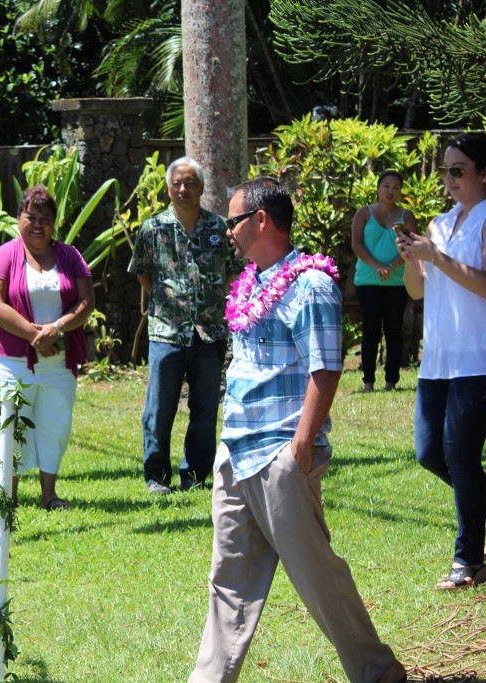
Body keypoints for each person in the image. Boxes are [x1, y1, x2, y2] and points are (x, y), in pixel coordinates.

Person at [190, 176, 405, 683]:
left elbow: (325, 368)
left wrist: (301, 448)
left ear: (260, 220)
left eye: (234, 222)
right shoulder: (253, 283)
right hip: (236, 453)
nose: (229, 233)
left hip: (281, 454)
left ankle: (377, 672)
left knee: (316, 578)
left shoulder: (311, 283)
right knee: (228, 581)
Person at [398, 132, 486, 591]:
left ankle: (468, 559)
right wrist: (414, 258)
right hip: (437, 361)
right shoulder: (439, 224)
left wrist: (439, 257)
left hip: (477, 358)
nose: (449, 179)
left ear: (483, 173)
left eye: (459, 170)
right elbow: (417, 289)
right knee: (430, 453)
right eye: (445, 171)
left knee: (461, 456)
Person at [127, 156, 236, 494]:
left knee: (204, 410)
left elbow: (233, 270)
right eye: (177, 183)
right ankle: (157, 476)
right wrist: (167, 300)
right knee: (159, 409)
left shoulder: (220, 228)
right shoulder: (153, 228)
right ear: (168, 189)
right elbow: (142, 271)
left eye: (190, 183)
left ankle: (196, 475)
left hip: (209, 333)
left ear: (202, 188)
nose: (183, 189)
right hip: (166, 334)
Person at [0, 185, 95, 510]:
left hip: (58, 362)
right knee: (9, 425)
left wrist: (56, 328)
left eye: (45, 218)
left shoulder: (70, 255)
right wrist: (36, 336)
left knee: (55, 425)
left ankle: (50, 495)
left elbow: (87, 301)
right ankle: (9, 496)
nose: (37, 224)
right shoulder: (5, 254)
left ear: (54, 223)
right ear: (19, 217)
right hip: (12, 362)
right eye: (31, 216)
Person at [351, 171, 415, 392]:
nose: (390, 191)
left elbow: (412, 246)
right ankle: (368, 381)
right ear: (378, 188)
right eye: (386, 186)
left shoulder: (406, 216)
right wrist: (378, 265)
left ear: (400, 191)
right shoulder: (364, 213)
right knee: (370, 330)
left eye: (396, 187)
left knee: (394, 330)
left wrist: (392, 266)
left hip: (397, 282)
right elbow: (356, 244)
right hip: (368, 281)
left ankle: (391, 381)